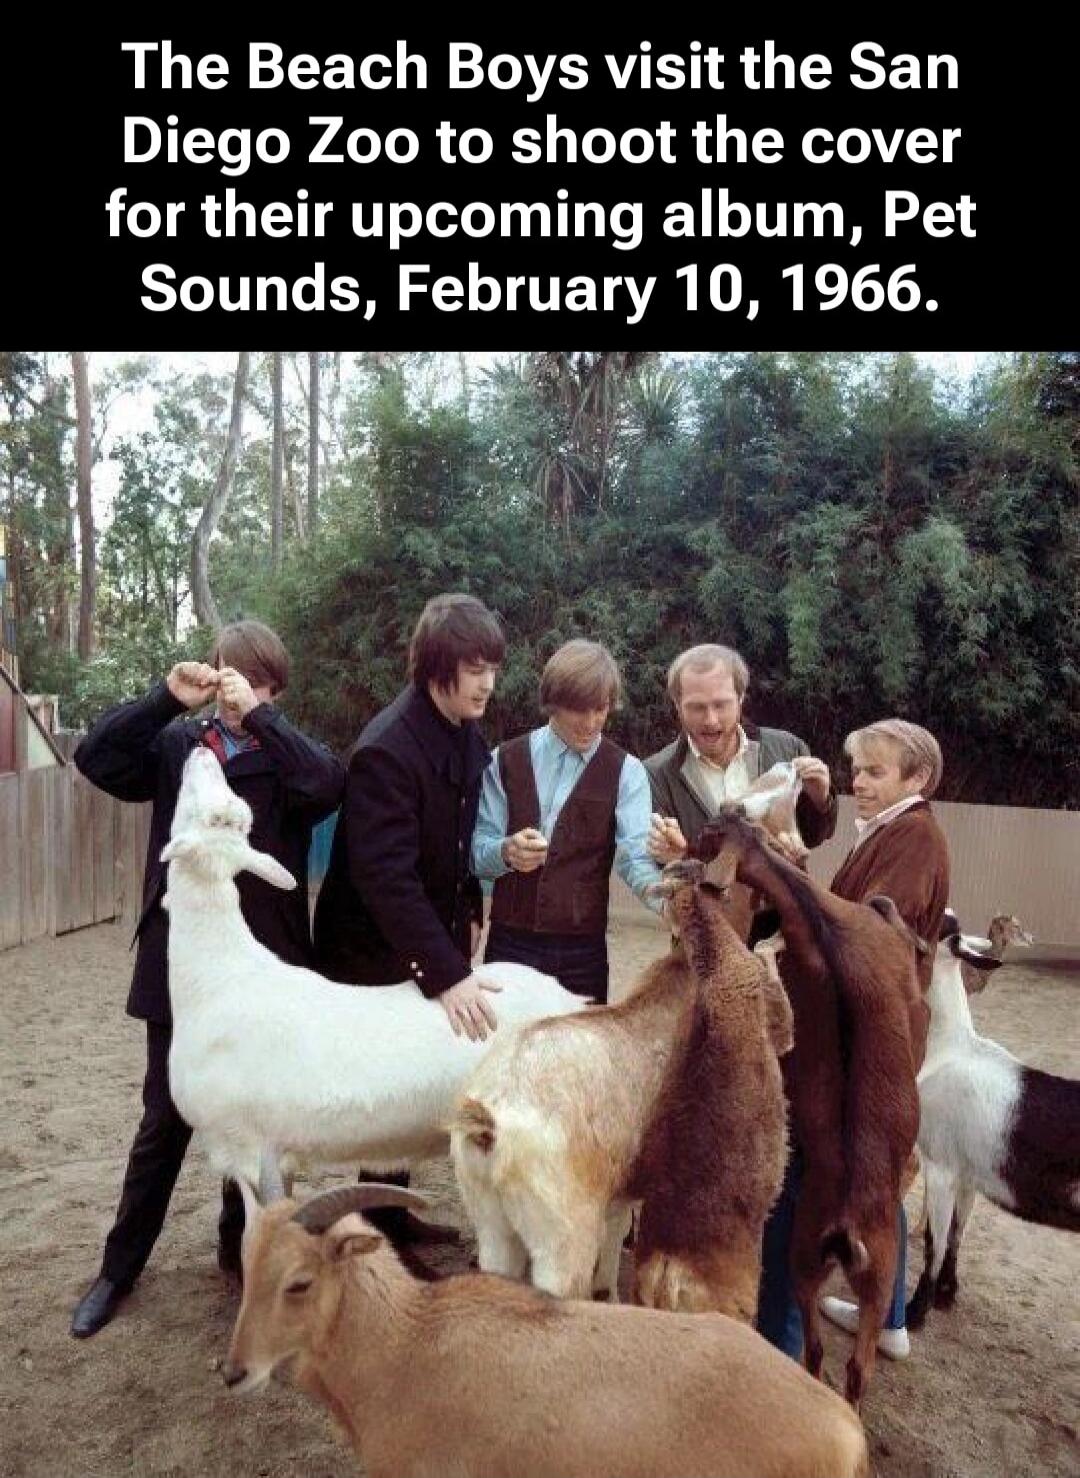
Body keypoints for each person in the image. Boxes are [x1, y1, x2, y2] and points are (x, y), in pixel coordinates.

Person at [69, 621, 345, 1338]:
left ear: (274, 688)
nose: (232, 687)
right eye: (226, 673)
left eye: (252, 679)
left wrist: (259, 716)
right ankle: (117, 1269)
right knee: (164, 1116)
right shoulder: (176, 749)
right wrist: (166, 698)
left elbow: (328, 784)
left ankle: (238, 1250)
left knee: (253, 1119)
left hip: (262, 971)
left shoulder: (285, 757)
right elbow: (95, 757)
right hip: (180, 971)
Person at [757, 718, 951, 1362]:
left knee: (806, 1177)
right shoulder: (898, 832)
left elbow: (865, 938)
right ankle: (890, 1318)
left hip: (860, 1051)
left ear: (915, 778)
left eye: (873, 772)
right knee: (877, 1173)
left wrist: (788, 877)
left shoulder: (915, 839)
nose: (857, 783)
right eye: (856, 770)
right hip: (875, 1047)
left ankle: (776, 1341)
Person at [312, 593, 506, 1238]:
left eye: (492, 667)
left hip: (422, 939)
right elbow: (384, 877)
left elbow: (456, 839)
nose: (487, 682)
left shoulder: (460, 730)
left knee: (406, 1087)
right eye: (473, 667)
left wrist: (469, 912)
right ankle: (378, 1233)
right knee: (383, 1096)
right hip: (367, 953)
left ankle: (394, 1217)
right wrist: (447, 972)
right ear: (436, 669)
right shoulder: (387, 750)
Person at [472, 639, 663, 1005]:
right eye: (579, 710)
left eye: (601, 709)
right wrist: (506, 852)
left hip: (583, 952)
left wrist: (669, 903)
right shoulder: (505, 759)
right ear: (553, 703)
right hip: (510, 941)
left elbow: (635, 858)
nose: (591, 724)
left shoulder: (627, 772)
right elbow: (477, 850)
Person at [643, 643, 837, 860]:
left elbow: (814, 837)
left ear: (741, 698)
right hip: (705, 894)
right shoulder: (655, 775)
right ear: (677, 705)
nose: (710, 720)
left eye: (720, 705)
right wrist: (677, 855)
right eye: (697, 707)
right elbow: (657, 867)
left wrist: (821, 800)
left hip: (779, 894)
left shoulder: (788, 748)